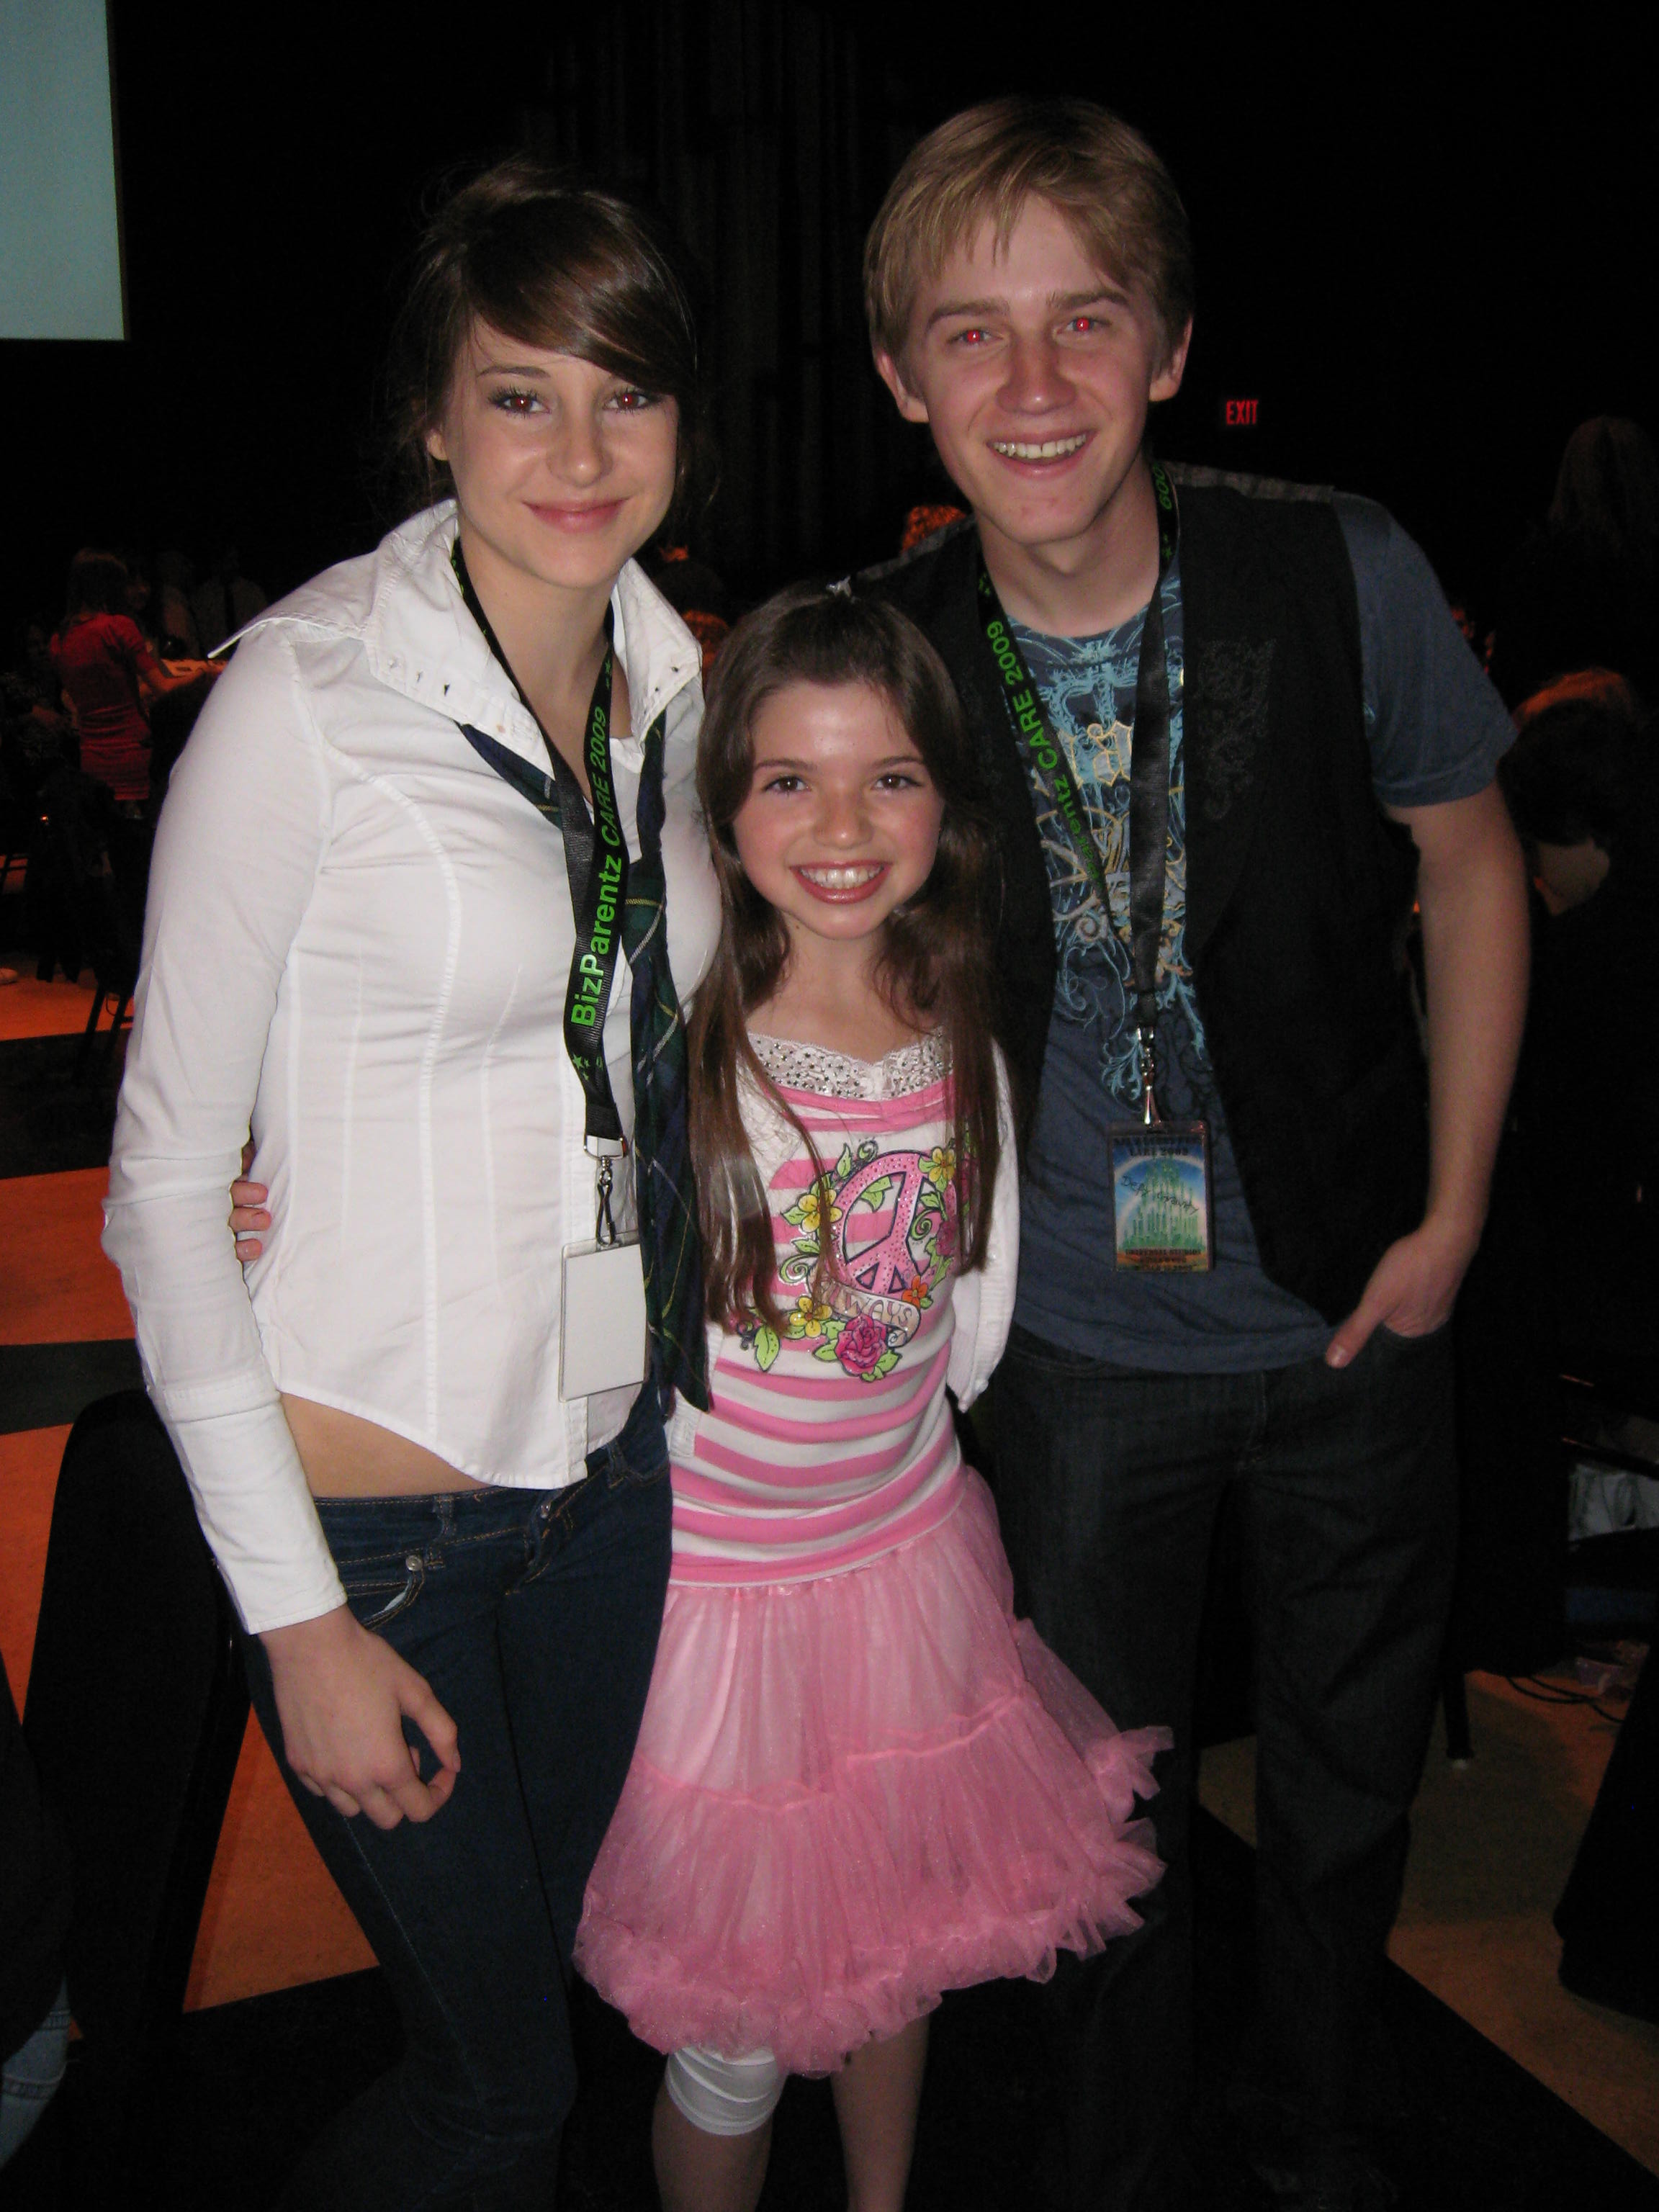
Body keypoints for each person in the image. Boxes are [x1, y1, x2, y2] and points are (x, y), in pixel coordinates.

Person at [853, 98, 1529, 2211]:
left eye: (1085, 322)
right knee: (1093, 1826)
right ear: (903, 379)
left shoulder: (1337, 566)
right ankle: (1113, 2159)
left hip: (1353, 1302)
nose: (1032, 386)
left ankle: (1321, 2129)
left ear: (1167, 345)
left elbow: (1475, 860)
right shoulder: (889, 653)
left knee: (1341, 1792)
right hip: (1063, 1354)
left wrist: (1457, 1213)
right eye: (973, 334)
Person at [102, 158, 722, 2209]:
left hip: (611, 1486)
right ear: (431, 418)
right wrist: (292, 1619)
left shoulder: (683, 688)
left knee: (532, 1996)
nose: (577, 446)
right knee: (496, 2095)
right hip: (378, 1528)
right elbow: (166, 1188)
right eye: (519, 392)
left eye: (622, 392)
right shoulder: (307, 696)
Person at [569, 585, 1166, 2212]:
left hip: (906, 1568)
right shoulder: (679, 1035)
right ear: (724, 807)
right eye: (789, 780)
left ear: (943, 801)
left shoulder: (953, 1012)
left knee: (896, 1959)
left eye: (887, 777)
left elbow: (967, 1307)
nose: (841, 825)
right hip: (723, 1614)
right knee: (744, 2034)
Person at [49, 549, 206, 806]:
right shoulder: (118, 628)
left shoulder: (59, 641)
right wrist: (203, 673)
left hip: (92, 760)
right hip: (133, 753)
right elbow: (163, 688)